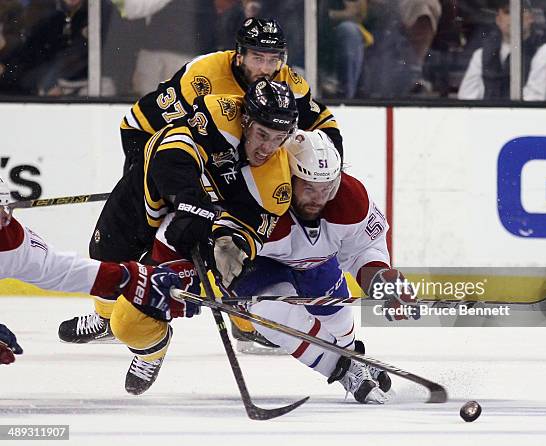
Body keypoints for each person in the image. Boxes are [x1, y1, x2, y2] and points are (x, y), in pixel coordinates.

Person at [59, 78, 299, 395]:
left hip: (190, 234)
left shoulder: (276, 182)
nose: (267, 147)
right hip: (148, 194)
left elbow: (250, 232)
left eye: (278, 138)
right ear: (245, 119)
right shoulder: (218, 113)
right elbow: (169, 155)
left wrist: (230, 242)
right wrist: (193, 202)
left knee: (130, 323)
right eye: (262, 134)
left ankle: (150, 349)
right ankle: (102, 320)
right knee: (105, 255)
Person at [228, 130, 413, 403]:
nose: (318, 198)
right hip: (261, 263)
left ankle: (352, 355)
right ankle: (345, 369)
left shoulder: (350, 199)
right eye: (309, 187)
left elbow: (365, 246)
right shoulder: (256, 199)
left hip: (316, 262)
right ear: (288, 177)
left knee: (336, 316)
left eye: (326, 188)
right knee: (269, 311)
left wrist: (380, 279)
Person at [0, 176, 186, 365]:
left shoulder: (11, 243)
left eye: (5, 209)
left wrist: (130, 279)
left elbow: (62, 270)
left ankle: (111, 322)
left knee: (106, 245)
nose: (5, 219)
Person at [121, 17, 342, 174]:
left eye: (272, 59)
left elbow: (321, 120)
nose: (265, 68)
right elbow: (174, 135)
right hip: (145, 135)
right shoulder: (204, 77)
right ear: (239, 55)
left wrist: (334, 167)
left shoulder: (286, 80)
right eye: (257, 58)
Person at [458, 0, 546, 100]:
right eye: (507, 12)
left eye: (520, 10)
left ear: (531, 17)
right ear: (498, 20)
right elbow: (466, 100)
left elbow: (533, 103)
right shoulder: (481, 55)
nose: (514, 16)